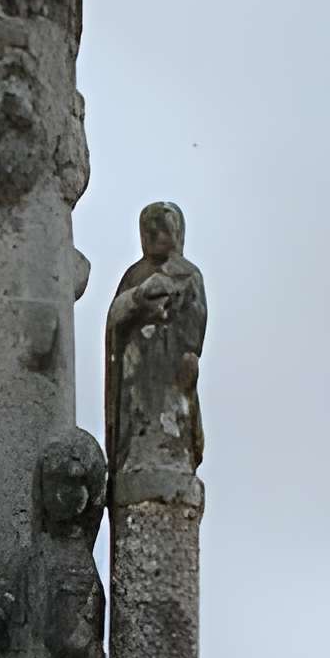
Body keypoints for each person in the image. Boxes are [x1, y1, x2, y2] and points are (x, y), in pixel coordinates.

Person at [104, 203, 207, 484]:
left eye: (164, 229)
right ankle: (135, 456)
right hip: (137, 367)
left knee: (172, 415)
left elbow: (196, 321)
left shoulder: (189, 274)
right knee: (139, 414)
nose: (157, 236)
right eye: (150, 230)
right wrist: (138, 299)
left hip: (172, 368)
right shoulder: (134, 276)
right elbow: (115, 317)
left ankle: (172, 454)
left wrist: (189, 353)